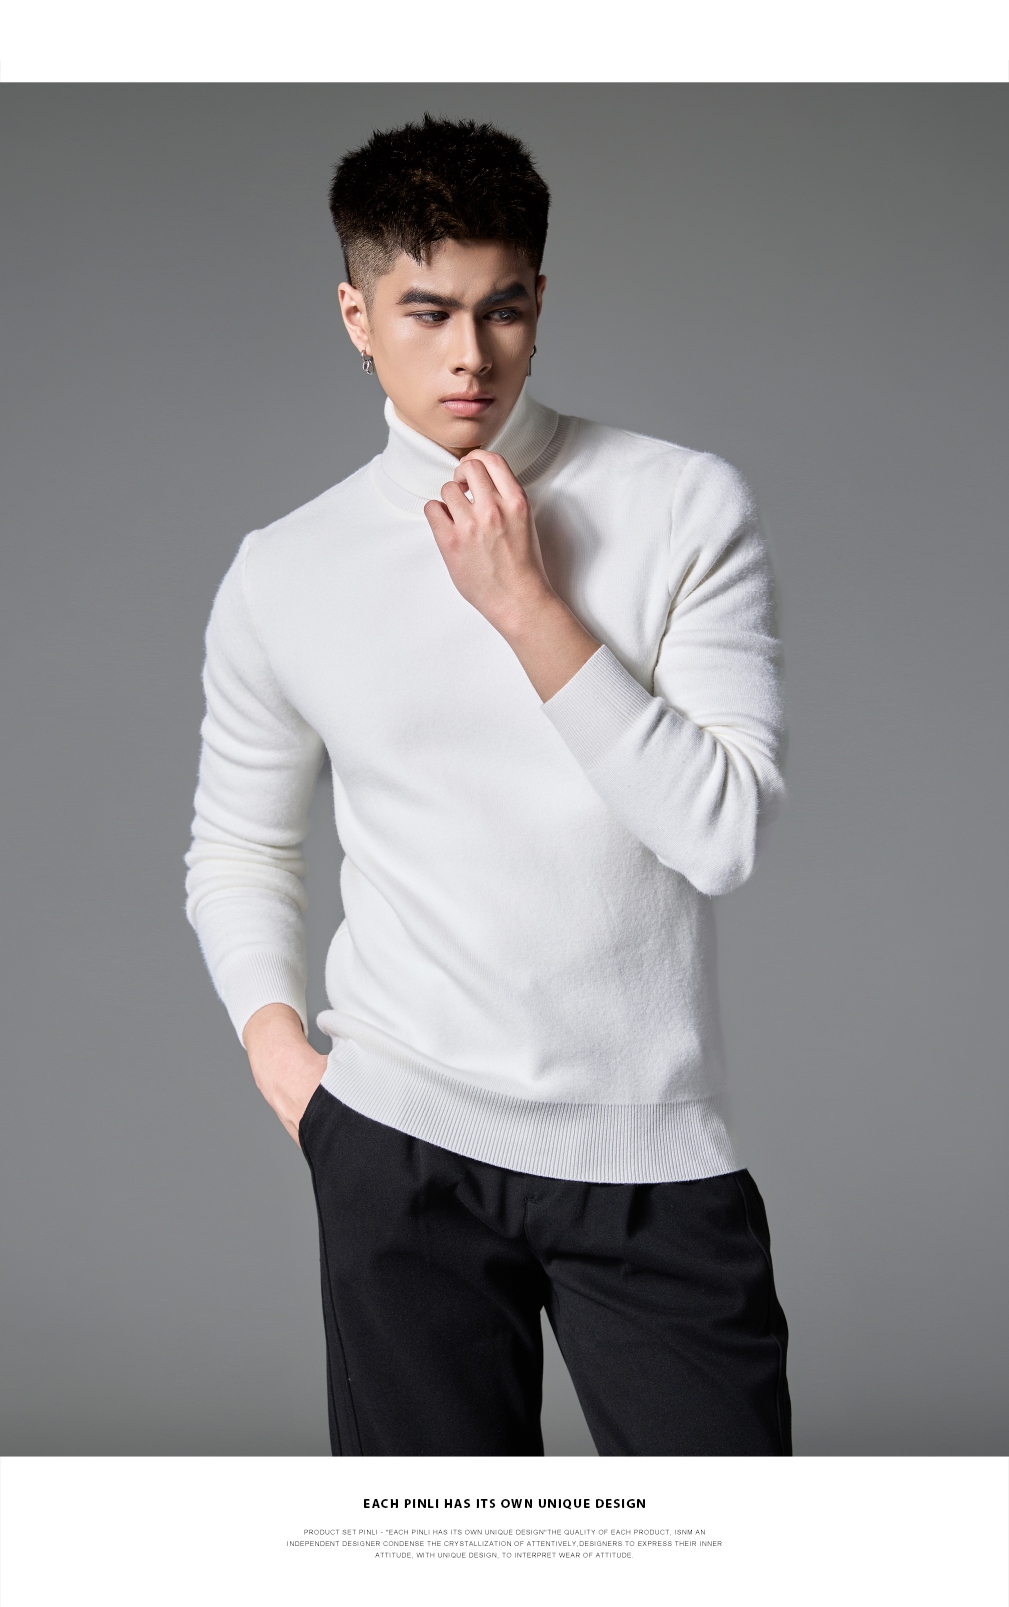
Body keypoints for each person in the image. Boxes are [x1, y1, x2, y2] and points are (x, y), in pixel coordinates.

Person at [184, 114, 792, 1457]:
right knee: (438, 1554)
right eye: (428, 312)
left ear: (538, 301)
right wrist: (285, 1061)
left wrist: (528, 609)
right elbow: (238, 845)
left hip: (647, 1155)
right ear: (357, 316)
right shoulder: (285, 570)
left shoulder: (681, 505)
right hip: (396, 1143)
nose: (471, 355)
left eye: (502, 309)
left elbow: (722, 832)